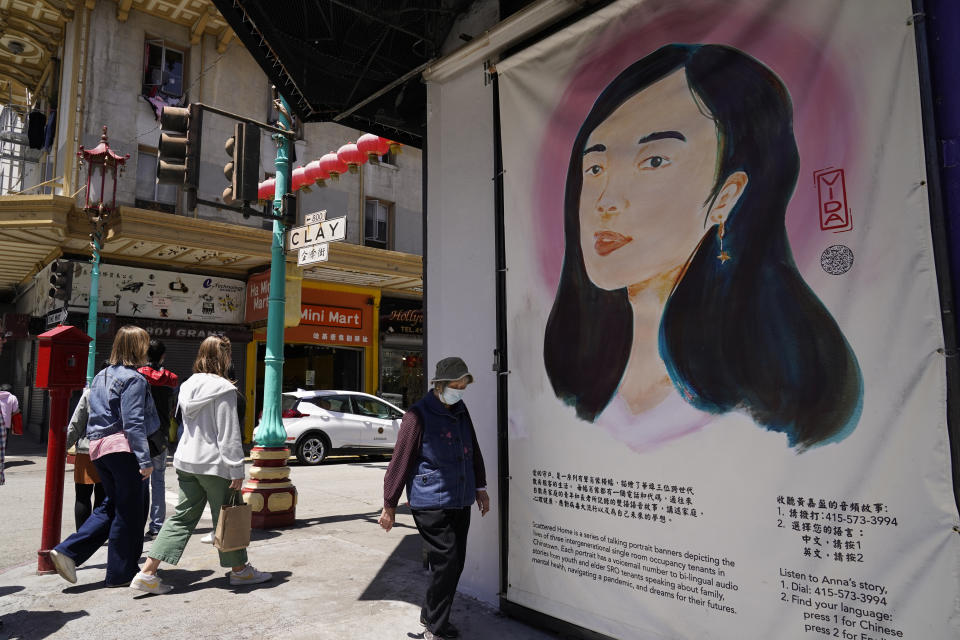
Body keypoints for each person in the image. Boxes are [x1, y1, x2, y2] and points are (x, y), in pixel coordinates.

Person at [543, 44, 863, 451]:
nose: (606, 200)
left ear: (726, 196)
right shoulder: (575, 374)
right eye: (595, 167)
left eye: (654, 161)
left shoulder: (789, 396)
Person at [131, 335, 271, 594]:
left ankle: (147, 572)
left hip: (187, 460)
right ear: (225, 357)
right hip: (215, 464)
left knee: (182, 518)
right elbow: (228, 434)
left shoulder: (187, 385)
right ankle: (240, 570)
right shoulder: (225, 389)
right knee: (229, 515)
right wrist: (237, 468)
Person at [379, 357, 490, 640]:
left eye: (463, 385)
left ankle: (430, 613)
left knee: (454, 563)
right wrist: (389, 505)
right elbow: (400, 461)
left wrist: (480, 487)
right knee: (449, 562)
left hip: (460, 497)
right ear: (439, 385)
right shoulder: (417, 415)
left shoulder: (461, 409)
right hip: (430, 501)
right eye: (455, 385)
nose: (460, 390)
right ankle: (436, 629)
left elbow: (472, 449)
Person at [48, 326, 161, 587]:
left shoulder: (100, 376)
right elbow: (133, 423)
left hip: (99, 449)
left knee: (114, 505)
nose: (146, 349)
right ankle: (119, 573)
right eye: (143, 344)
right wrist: (144, 460)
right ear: (137, 348)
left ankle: (68, 551)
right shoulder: (135, 379)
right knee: (130, 512)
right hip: (123, 449)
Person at [138, 339, 179, 538]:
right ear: (163, 356)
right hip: (160, 435)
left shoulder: (137, 377)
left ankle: (137, 523)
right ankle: (156, 526)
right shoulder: (170, 379)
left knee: (140, 483)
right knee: (159, 481)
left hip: (139, 436)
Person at [65, 385, 105, 529]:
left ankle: (81, 534)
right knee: (103, 497)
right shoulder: (121, 392)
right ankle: (97, 534)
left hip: (87, 450)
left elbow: (76, 423)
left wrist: (64, 446)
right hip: (109, 451)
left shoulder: (90, 393)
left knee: (82, 496)